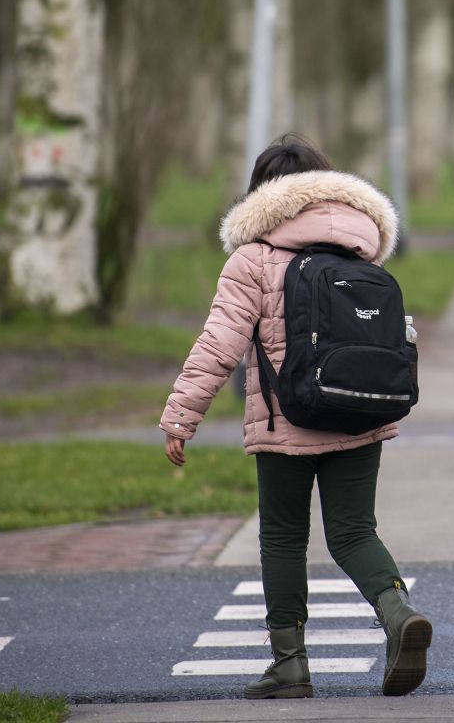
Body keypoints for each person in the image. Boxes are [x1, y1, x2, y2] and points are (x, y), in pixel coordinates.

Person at [160, 134, 431, 700]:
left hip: (286, 423)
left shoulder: (252, 260)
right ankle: (398, 611)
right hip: (360, 413)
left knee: (283, 538)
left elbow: (218, 345)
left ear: (263, 196)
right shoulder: (362, 251)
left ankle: (289, 666)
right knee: (354, 532)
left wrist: (181, 417)